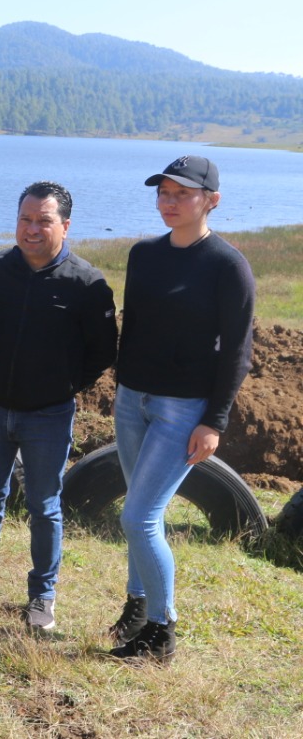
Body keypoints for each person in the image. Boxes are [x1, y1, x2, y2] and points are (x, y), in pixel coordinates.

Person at [0, 181, 117, 630]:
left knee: (44, 505)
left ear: (66, 226)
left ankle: (42, 597)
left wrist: (63, 384)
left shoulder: (87, 283)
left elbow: (101, 352)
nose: (32, 229)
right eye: (25, 219)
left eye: (44, 220)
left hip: (50, 413)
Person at [107, 156, 254, 662]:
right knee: (138, 512)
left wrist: (214, 422)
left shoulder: (227, 265)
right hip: (132, 402)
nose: (169, 202)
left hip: (182, 411)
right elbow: (136, 328)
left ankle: (161, 632)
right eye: (163, 193)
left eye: (182, 194)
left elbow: (238, 351)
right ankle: (138, 604)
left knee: (139, 516)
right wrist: (121, 388)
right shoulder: (143, 254)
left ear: (211, 200)